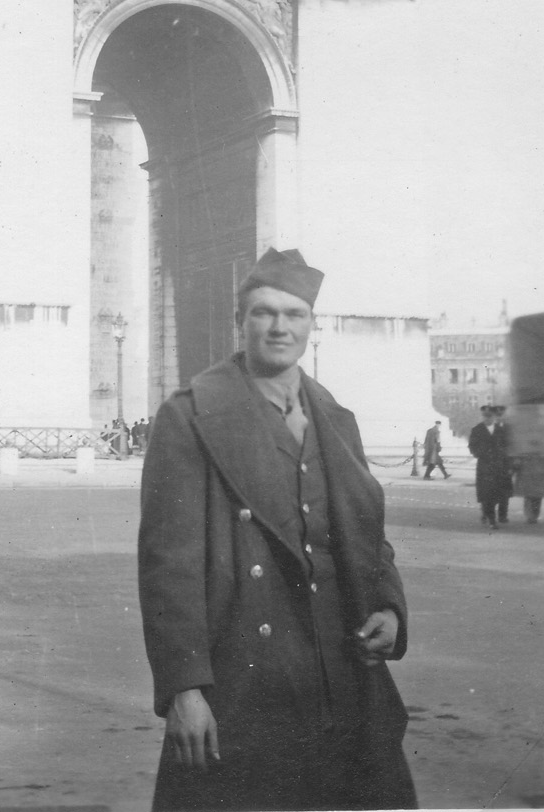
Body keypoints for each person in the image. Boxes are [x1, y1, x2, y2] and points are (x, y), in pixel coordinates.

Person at [138, 247, 417, 811]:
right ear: (240, 321)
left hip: (342, 677)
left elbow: (366, 534)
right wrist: (183, 689)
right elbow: (170, 566)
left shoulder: (335, 418)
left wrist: (389, 607)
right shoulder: (189, 416)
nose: (279, 327)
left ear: (312, 325)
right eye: (264, 312)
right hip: (245, 684)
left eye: (294, 315)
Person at [468, 405, 509, 529]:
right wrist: (480, 453)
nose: (487, 418)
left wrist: (504, 459)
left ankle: (488, 514)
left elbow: (506, 445)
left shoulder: (500, 430)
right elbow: (472, 446)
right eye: (485, 416)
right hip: (484, 466)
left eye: (489, 416)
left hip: (499, 466)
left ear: (494, 417)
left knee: (498, 493)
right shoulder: (477, 429)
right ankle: (492, 520)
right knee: (487, 494)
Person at [492, 406, 512, 523]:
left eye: (502, 415)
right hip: (492, 465)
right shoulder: (490, 428)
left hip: (505, 464)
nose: (500, 417)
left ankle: (502, 516)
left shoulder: (509, 428)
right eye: (498, 415)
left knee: (505, 493)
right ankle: (488, 513)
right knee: (492, 491)